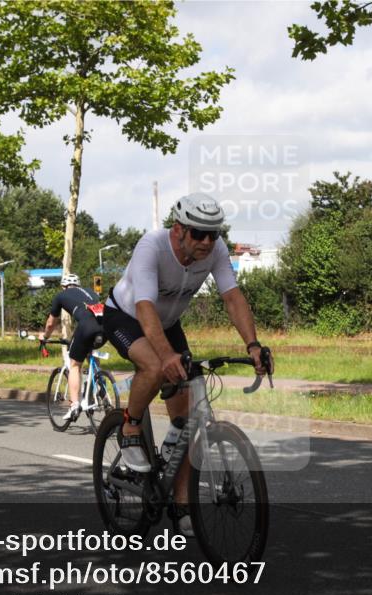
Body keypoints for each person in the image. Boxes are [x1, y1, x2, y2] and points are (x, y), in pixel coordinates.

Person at [102, 192, 272, 535]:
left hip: (167, 325)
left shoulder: (216, 249)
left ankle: (181, 506)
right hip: (126, 317)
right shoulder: (152, 246)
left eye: (213, 233)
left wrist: (252, 344)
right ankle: (131, 427)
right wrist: (165, 356)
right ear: (179, 230)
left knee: (187, 423)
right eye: (198, 233)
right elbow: (145, 307)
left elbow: (232, 296)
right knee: (153, 366)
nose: (207, 241)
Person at [39, 273, 104, 422]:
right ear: (79, 285)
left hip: (86, 325)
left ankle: (74, 405)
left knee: (74, 364)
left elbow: (51, 323)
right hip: (105, 326)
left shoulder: (61, 296)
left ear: (63, 286)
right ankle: (99, 383)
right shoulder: (91, 292)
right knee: (90, 353)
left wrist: (45, 336)